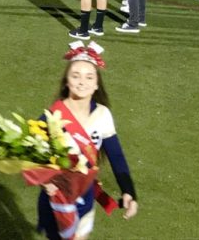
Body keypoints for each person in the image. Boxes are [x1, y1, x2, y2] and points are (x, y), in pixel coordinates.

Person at [36, 42, 138, 240]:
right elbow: (30, 154)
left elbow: (116, 155)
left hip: (86, 195)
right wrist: (45, 181)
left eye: (89, 77)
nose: (82, 82)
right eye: (76, 76)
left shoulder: (102, 114)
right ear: (66, 81)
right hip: (55, 196)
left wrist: (129, 191)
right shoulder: (53, 114)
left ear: (96, 84)